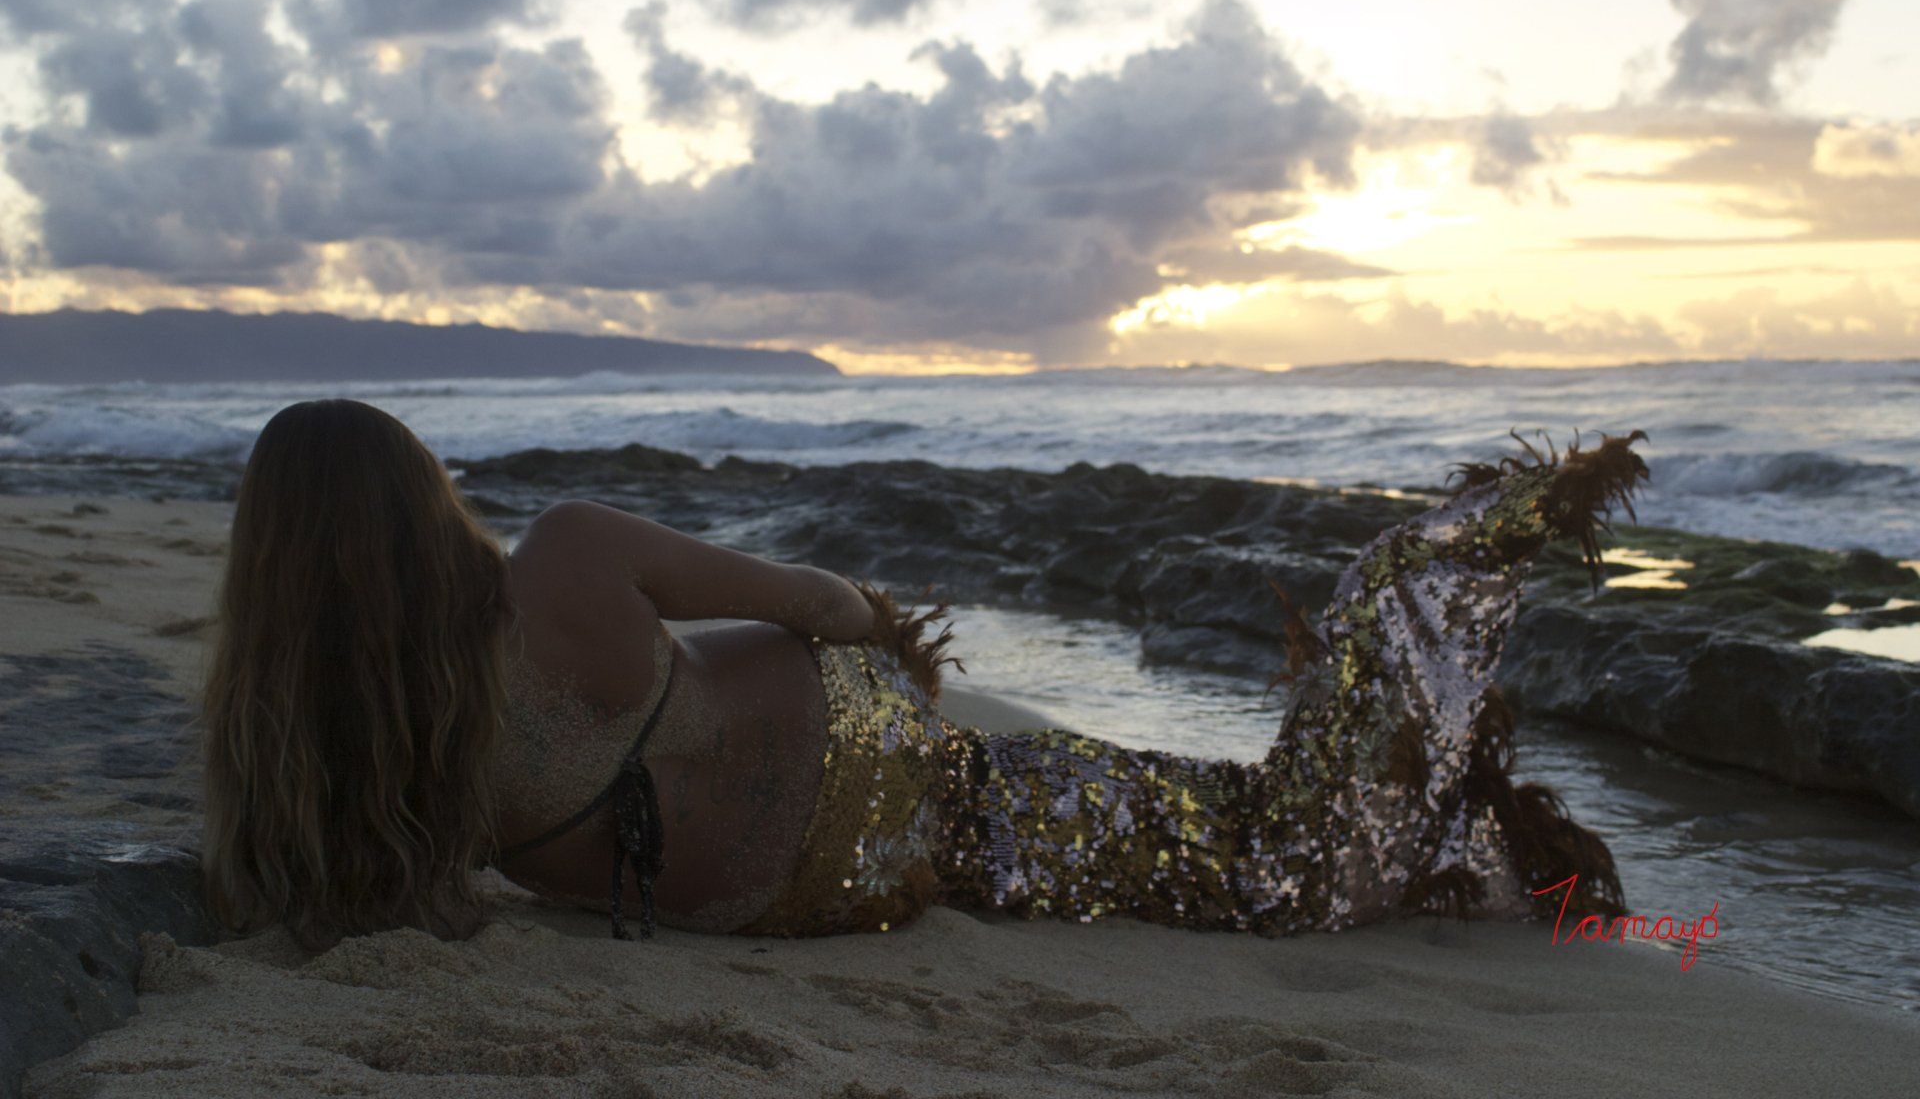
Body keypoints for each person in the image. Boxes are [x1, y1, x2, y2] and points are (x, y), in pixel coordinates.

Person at [201, 400, 1640, 951]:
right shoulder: (564, 562)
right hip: (919, 799)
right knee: (1259, 844)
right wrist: (888, 646)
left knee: (1224, 843)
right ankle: (1443, 577)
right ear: (424, 499)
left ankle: (1459, 816)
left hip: (820, 898)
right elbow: (815, 601)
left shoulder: (340, 762)